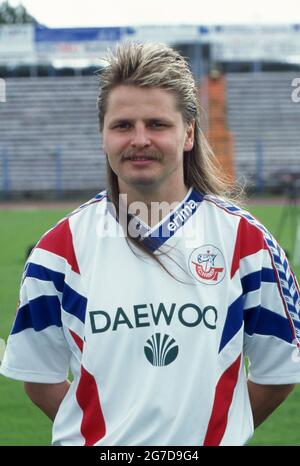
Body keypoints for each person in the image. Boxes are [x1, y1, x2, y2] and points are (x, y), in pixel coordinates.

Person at [1, 42, 300, 447]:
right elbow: (39, 377)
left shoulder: (247, 243)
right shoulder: (58, 250)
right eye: (123, 125)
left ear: (188, 133)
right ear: (103, 135)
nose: (139, 139)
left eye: (157, 124)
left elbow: (278, 373)